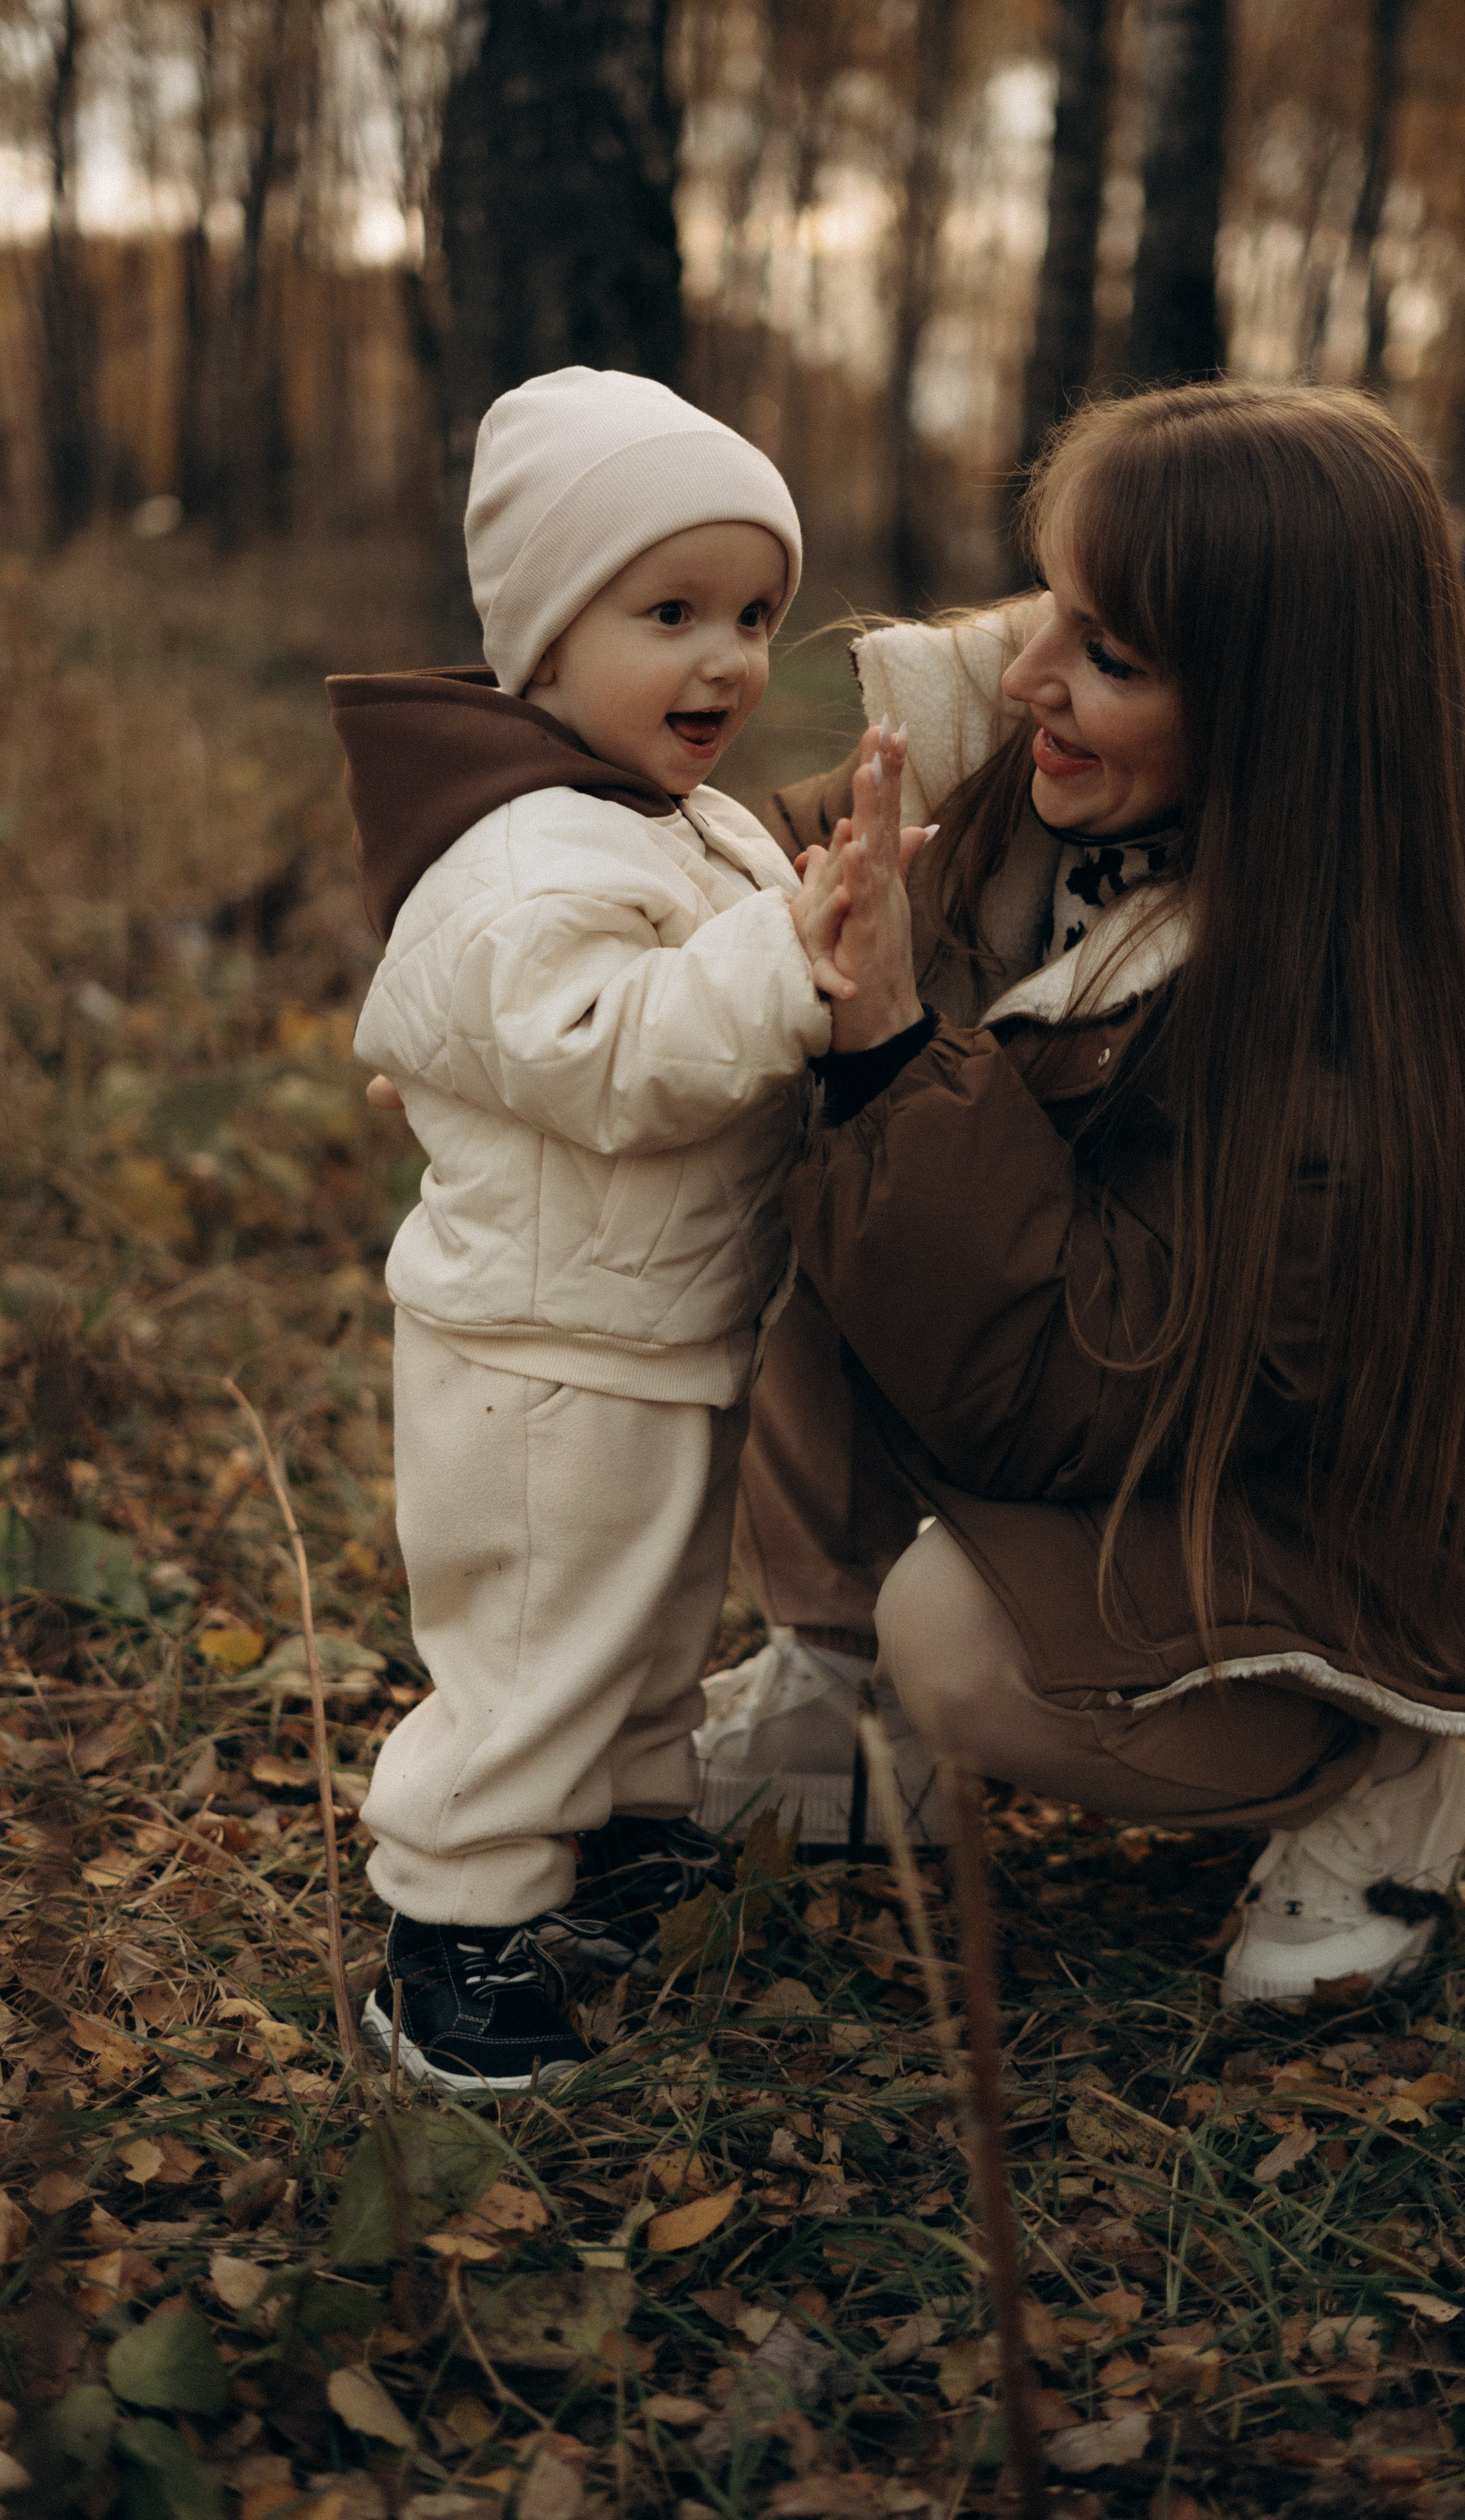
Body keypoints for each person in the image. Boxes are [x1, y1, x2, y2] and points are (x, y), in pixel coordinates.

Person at [723, 381, 1465, 2003]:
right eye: (1045, 604)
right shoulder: (1050, 793)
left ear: (1272, 708)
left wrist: (889, 1048)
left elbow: (1067, 1388)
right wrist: (531, 1011)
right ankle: (837, 1690)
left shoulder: (1377, 1017)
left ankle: (1372, 1767)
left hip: (1415, 1523)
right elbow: (722, 875)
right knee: (754, 1107)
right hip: (1198, 1426)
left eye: (1108, 651)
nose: (1023, 673)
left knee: (958, 1634)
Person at [329, 366, 888, 2091]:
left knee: (650, 1623)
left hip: (657, 1320)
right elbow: (617, 1060)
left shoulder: (671, 818)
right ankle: (453, 1921)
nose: (726, 659)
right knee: (537, 1641)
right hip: (542, 1354)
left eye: (753, 616)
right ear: (544, 639)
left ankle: (630, 1829)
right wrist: (787, 952)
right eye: (669, 614)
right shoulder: (523, 855)